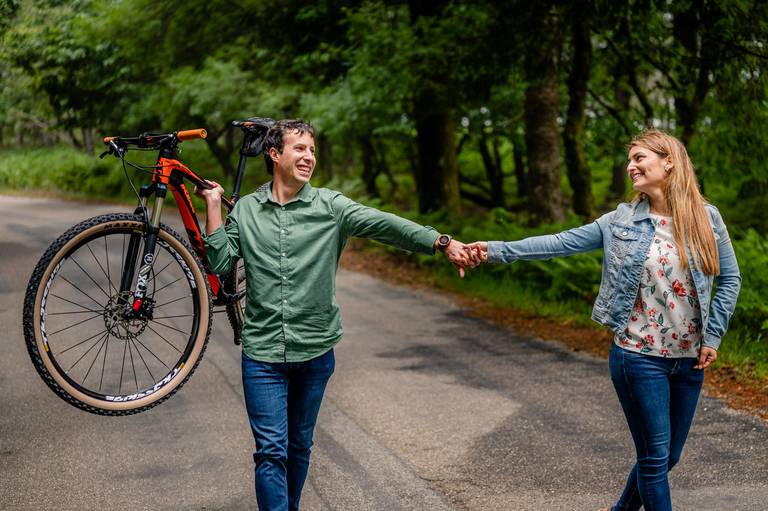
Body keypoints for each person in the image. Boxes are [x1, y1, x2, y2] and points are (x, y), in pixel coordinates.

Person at [196, 119, 472, 511]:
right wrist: (212, 206)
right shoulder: (247, 211)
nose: (309, 156)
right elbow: (221, 260)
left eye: (312, 150)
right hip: (263, 356)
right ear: (274, 155)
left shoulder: (332, 207)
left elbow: (385, 225)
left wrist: (440, 241)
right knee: (270, 451)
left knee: (298, 446)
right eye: (300, 149)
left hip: (315, 351)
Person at [466, 129, 741, 511]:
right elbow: (559, 242)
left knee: (667, 457)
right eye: (630, 160)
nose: (630, 167)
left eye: (639, 158)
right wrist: (494, 250)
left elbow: (730, 277)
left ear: (669, 161)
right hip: (638, 356)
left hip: (690, 359)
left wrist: (713, 336)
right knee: (654, 460)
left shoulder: (707, 218)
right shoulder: (621, 221)